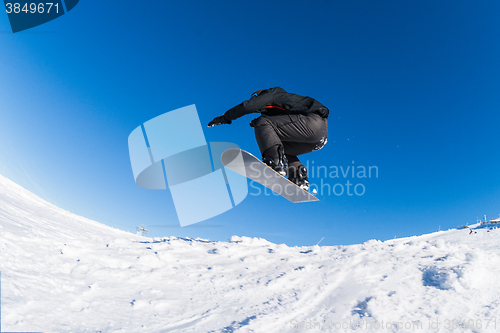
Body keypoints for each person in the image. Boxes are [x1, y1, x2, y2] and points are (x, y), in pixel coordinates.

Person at [208, 87, 328, 191]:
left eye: (255, 97)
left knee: (263, 122)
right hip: (320, 137)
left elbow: (249, 106)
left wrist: (224, 118)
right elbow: (279, 123)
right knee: (280, 146)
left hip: (311, 123)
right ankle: (299, 178)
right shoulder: (282, 107)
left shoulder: (272, 93)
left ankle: (274, 162)